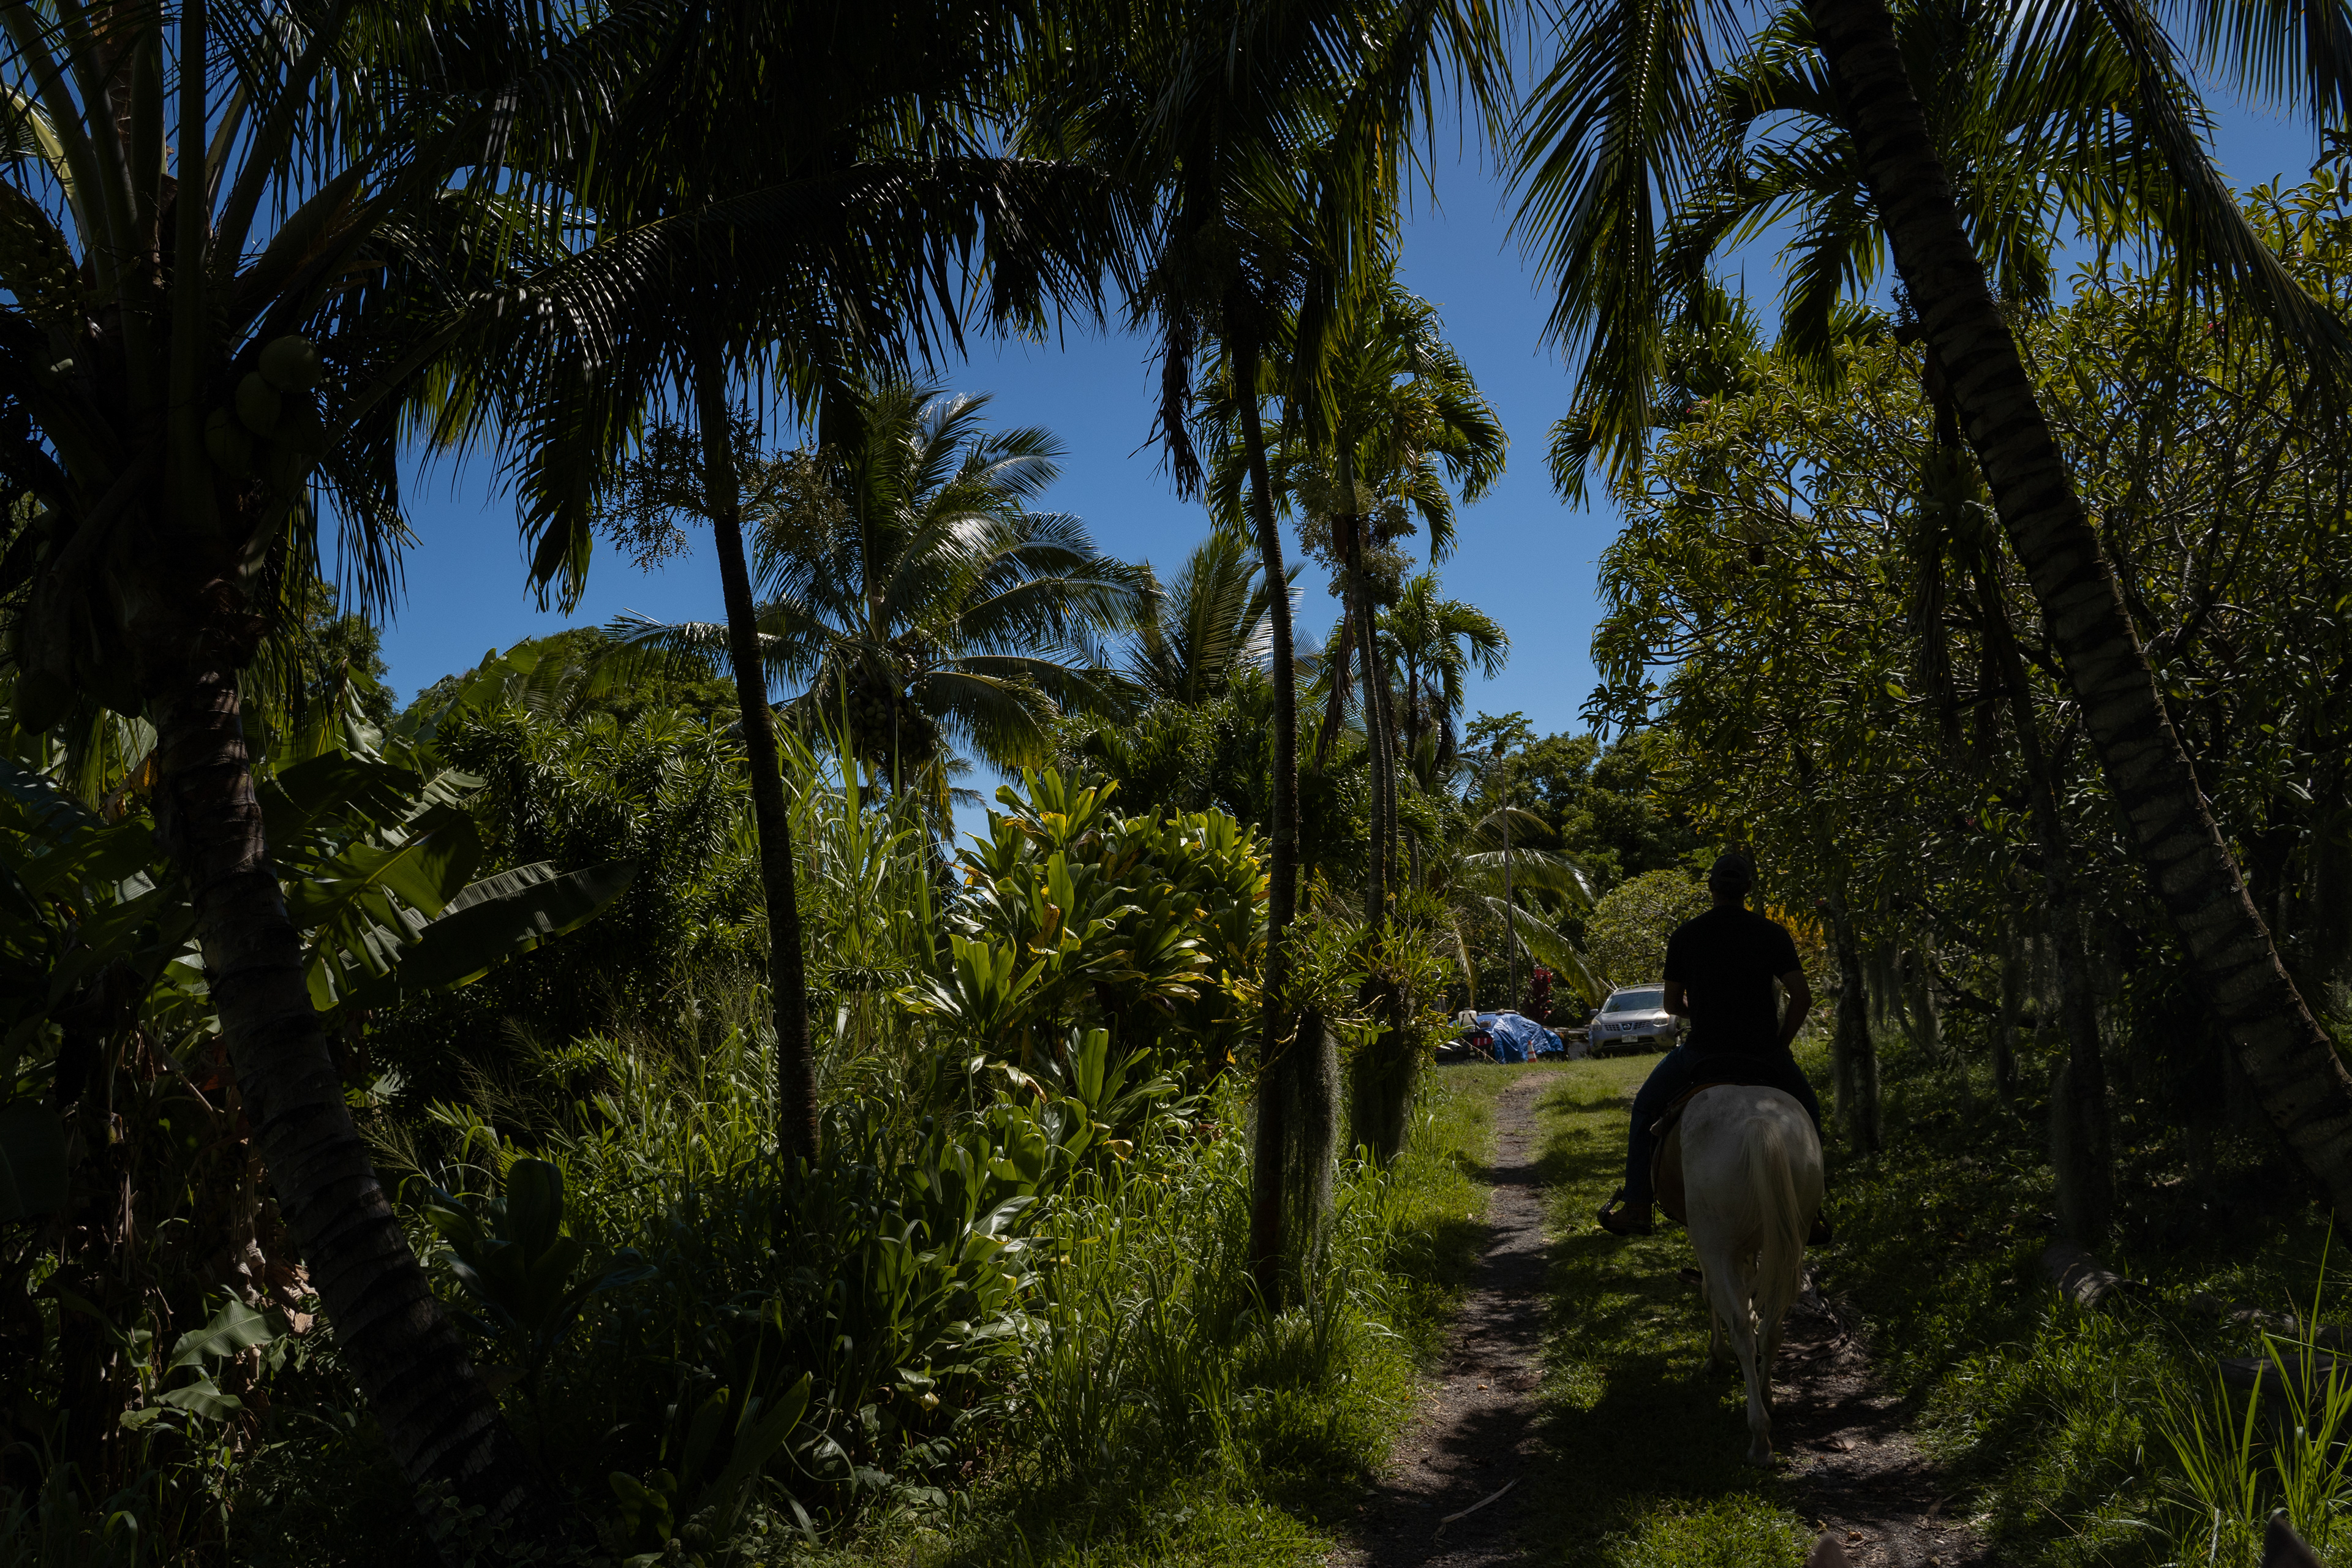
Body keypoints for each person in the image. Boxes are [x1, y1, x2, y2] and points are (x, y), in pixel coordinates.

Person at [1594, 851, 1831, 1243]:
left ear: (1711, 889)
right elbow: (1802, 997)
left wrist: (1703, 1010)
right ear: (1748, 890)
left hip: (1703, 1053)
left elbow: (1672, 1005)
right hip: (1762, 1054)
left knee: (1644, 1108)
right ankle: (1812, 1210)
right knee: (1809, 1109)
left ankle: (1637, 1205)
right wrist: (1779, 1045)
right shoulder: (1772, 933)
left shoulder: (1688, 935)